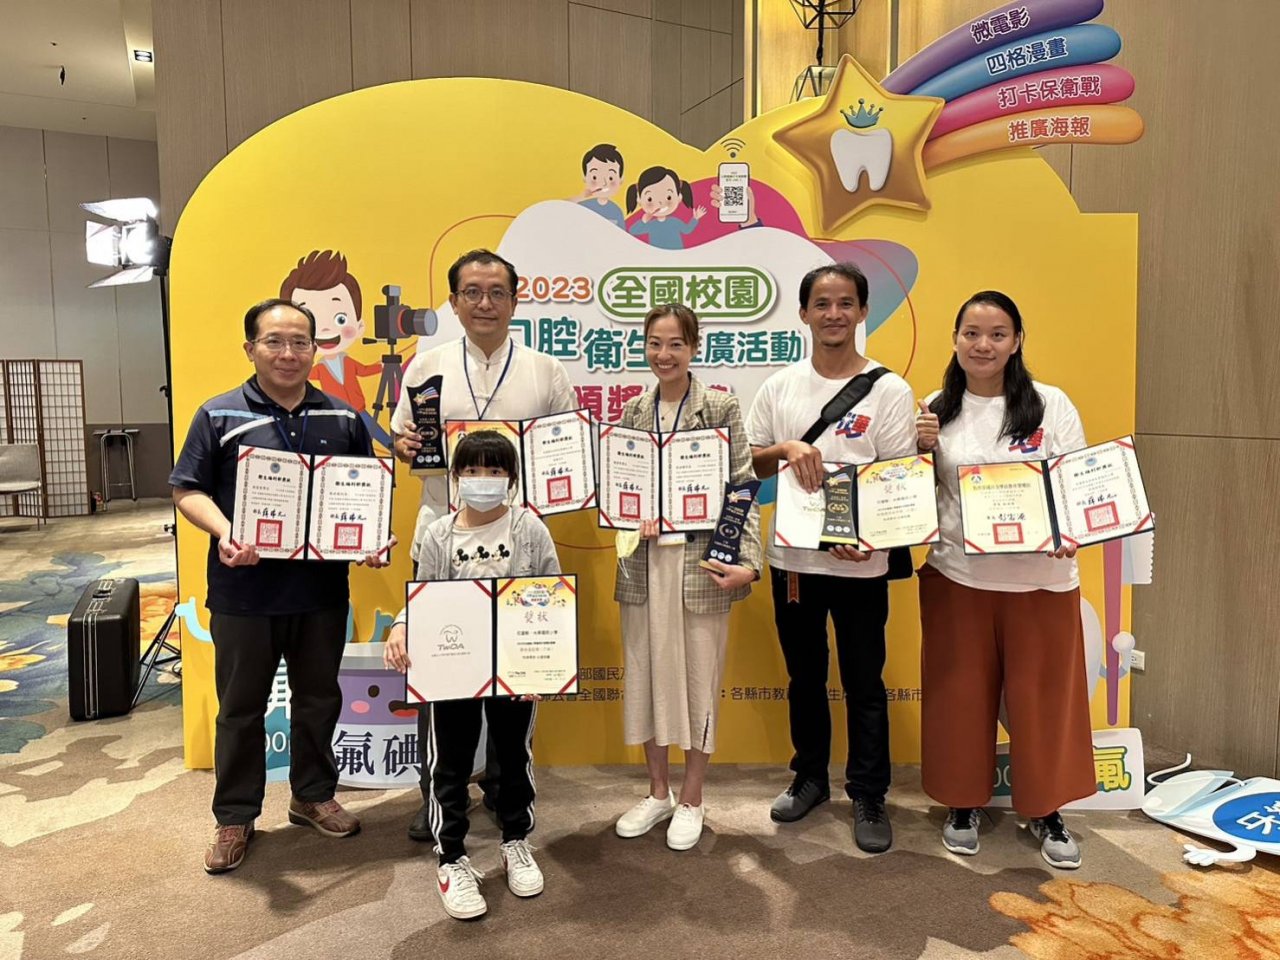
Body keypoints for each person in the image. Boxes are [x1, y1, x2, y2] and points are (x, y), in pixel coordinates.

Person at [169, 298, 392, 875]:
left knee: (319, 699)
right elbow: (187, 489)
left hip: (321, 593)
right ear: (251, 348)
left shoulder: (343, 418)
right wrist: (225, 531)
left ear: (315, 349)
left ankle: (312, 795)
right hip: (244, 592)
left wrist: (369, 542)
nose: (288, 353)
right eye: (275, 341)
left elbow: (361, 493)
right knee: (240, 708)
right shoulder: (217, 414)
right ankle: (235, 815)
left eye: (300, 342)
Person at [390, 248, 576, 843]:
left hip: (518, 545)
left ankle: (503, 787)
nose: (485, 303)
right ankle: (437, 791)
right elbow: (402, 438)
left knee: (514, 674)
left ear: (515, 301)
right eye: (472, 292)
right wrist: (404, 445)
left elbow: (566, 453)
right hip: (442, 541)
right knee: (440, 670)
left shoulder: (546, 371)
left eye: (497, 292)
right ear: (453, 302)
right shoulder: (426, 367)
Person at [915, 290, 1096, 869]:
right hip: (958, 578)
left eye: (997, 334)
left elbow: (1077, 481)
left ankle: (1046, 809)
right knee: (959, 699)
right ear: (955, 340)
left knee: (1042, 707)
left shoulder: (1050, 404)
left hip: (1041, 581)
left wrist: (1072, 530)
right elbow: (914, 495)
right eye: (971, 333)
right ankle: (962, 804)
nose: (983, 345)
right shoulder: (934, 408)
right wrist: (917, 454)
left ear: (1017, 341)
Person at [745, 263, 917, 853]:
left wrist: (867, 536)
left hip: (861, 562)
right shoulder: (780, 386)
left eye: (846, 303)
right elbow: (750, 463)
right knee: (805, 677)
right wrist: (786, 448)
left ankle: (868, 793)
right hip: (794, 560)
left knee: (865, 680)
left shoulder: (888, 390)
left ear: (863, 311)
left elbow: (897, 478)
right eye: (822, 303)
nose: (834, 314)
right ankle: (810, 778)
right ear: (804, 313)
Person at [383, 431, 560, 920]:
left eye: (495, 470)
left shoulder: (529, 529)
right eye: (473, 470)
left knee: (514, 755)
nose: (484, 479)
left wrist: (547, 665)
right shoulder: (440, 534)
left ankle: (515, 840)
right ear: (457, 478)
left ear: (512, 479)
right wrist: (400, 625)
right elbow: (422, 595)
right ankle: (452, 858)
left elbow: (553, 596)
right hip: (452, 666)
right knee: (450, 761)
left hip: (515, 665)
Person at [612, 304, 761, 851]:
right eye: (655, 343)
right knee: (644, 678)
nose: (664, 354)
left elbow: (742, 487)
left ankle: (693, 797)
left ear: (694, 348)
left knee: (699, 681)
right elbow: (619, 489)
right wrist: (630, 516)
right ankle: (658, 792)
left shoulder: (720, 407)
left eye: (676, 343)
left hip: (701, 565)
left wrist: (749, 562)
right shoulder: (633, 411)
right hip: (643, 564)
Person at [279, 249, 392, 449]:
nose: (325, 329)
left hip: (358, 408)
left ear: (360, 326)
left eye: (341, 319)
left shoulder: (348, 361)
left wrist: (382, 367)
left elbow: (363, 370)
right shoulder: (317, 368)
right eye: (313, 320)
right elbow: (303, 377)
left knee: (371, 431)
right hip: (331, 413)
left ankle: (390, 446)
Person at [625, 166, 706, 249]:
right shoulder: (651, 225)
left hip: (677, 253)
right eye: (650, 199)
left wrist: (695, 218)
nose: (660, 203)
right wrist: (643, 221)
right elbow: (633, 231)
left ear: (679, 197)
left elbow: (686, 230)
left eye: (668, 197)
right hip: (656, 255)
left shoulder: (674, 222)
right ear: (639, 200)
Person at [571, 143, 626, 228]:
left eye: (610, 178)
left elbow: (621, 234)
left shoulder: (616, 211)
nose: (603, 183)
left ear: (620, 180)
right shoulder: (583, 206)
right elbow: (560, 207)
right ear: (585, 177)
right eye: (594, 177)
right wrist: (581, 196)